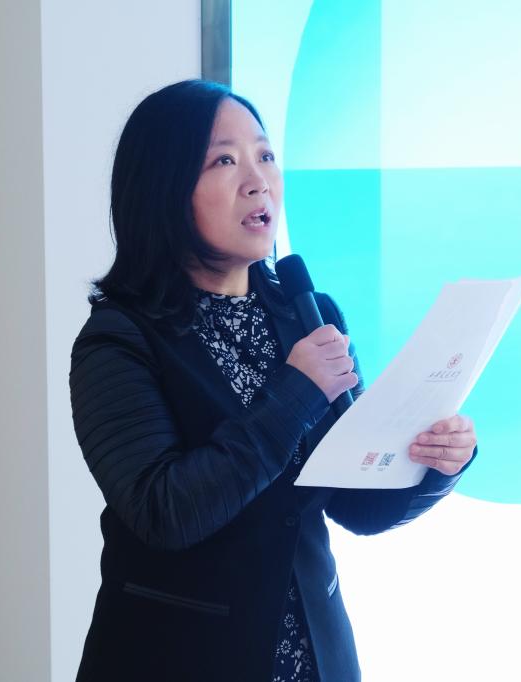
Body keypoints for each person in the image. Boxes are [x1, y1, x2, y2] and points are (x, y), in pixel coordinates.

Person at [70, 79, 477, 682]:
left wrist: (437, 465)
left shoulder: (308, 316)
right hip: (178, 659)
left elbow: (357, 505)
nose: (258, 180)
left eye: (265, 155)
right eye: (224, 161)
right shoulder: (118, 340)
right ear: (162, 188)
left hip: (315, 658)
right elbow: (164, 512)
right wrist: (298, 392)